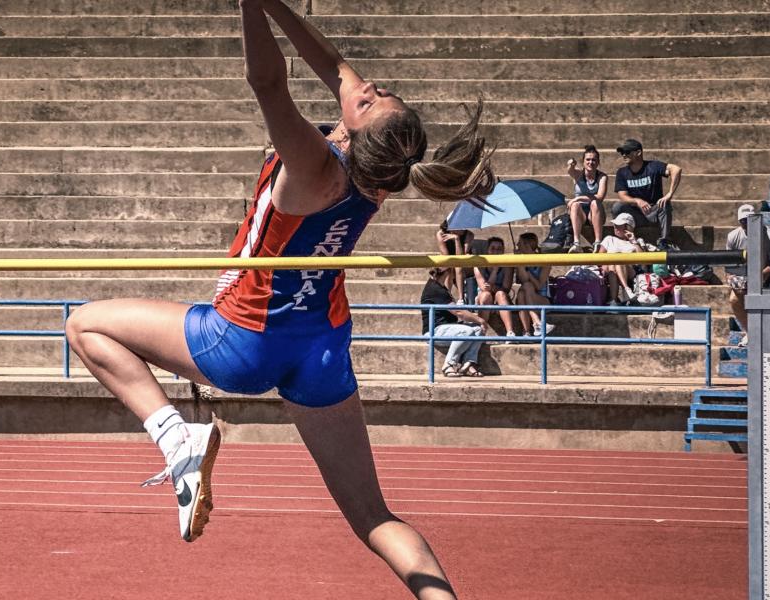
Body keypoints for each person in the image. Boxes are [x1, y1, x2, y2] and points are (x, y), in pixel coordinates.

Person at [65, 1, 494, 597]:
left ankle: (175, 436)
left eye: (369, 100)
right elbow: (337, 64)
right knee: (372, 516)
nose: (365, 86)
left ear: (358, 128)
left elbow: (267, 81)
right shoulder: (379, 174)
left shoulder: (315, 163)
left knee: (86, 325)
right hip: (321, 350)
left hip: (243, 340)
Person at [421, 267, 488, 378]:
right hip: (434, 331)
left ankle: (468, 363)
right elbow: (458, 312)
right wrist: (480, 319)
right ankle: (448, 364)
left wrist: (478, 322)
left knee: (478, 329)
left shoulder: (441, 287)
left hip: (447, 328)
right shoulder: (435, 288)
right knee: (466, 331)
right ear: (448, 274)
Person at [611, 138, 682, 242]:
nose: (624, 155)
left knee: (664, 203)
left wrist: (670, 194)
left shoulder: (653, 166)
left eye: (627, 152)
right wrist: (637, 201)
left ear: (638, 152)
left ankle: (664, 240)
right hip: (635, 214)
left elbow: (676, 169)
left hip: (654, 212)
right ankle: (624, 239)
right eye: (622, 152)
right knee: (617, 207)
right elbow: (622, 196)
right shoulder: (622, 172)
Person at [725, 204, 770, 347]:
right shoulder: (733, 236)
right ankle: (750, 332)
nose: (745, 224)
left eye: (748, 220)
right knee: (734, 298)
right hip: (742, 276)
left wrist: (760, 275)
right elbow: (729, 264)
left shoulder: (768, 234)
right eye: (742, 221)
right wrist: (730, 278)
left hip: (764, 274)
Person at [473, 236, 517, 339]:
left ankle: (510, 332)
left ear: (503, 251)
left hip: (500, 298)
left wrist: (491, 286)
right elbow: (484, 288)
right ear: (487, 250)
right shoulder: (478, 265)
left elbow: (506, 288)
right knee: (485, 295)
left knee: (500, 294)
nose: (496, 251)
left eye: (499, 249)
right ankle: (481, 332)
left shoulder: (507, 265)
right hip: (484, 298)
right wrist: (495, 271)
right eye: (493, 248)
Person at [565, 144, 607, 251]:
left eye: (594, 160)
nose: (590, 162)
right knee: (575, 205)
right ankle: (576, 242)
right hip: (581, 214)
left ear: (598, 162)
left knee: (594, 202)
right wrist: (571, 164)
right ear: (583, 162)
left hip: (595, 213)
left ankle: (598, 241)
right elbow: (570, 170)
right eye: (588, 159)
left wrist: (577, 198)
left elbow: (600, 197)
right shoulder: (578, 174)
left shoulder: (602, 177)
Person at [596, 213, 646, 305]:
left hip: (630, 272)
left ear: (628, 227)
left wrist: (633, 241)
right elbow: (599, 259)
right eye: (615, 225)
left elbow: (643, 262)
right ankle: (621, 294)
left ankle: (619, 295)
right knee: (613, 264)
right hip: (610, 270)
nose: (615, 227)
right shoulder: (609, 239)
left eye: (618, 225)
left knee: (618, 257)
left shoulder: (637, 241)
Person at [512, 233, 555, 337]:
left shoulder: (544, 261)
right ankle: (533, 326)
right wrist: (520, 264)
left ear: (527, 245)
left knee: (527, 287)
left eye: (520, 243)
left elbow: (539, 286)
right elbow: (523, 280)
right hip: (526, 296)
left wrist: (528, 273)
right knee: (524, 291)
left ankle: (529, 329)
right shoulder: (521, 260)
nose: (517, 244)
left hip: (543, 299)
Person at [434, 219, 473, 301]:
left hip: (465, 264)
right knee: (449, 267)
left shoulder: (469, 235)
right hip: (449, 263)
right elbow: (446, 255)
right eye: (460, 226)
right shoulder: (440, 234)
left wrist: (457, 239)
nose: (464, 228)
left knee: (458, 266)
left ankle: (461, 299)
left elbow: (461, 257)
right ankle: (447, 297)